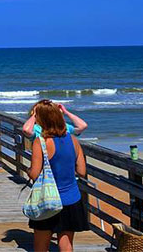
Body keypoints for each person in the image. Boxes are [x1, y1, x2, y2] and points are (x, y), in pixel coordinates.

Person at [27, 100, 89, 252]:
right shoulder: (73, 140)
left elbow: (34, 174)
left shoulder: (40, 142)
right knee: (66, 244)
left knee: (41, 246)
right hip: (72, 198)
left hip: (48, 200)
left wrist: (29, 171)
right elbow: (81, 171)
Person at [22, 101, 87, 138]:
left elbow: (82, 126)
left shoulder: (64, 127)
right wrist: (35, 114)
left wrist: (66, 112)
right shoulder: (37, 129)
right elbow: (26, 130)